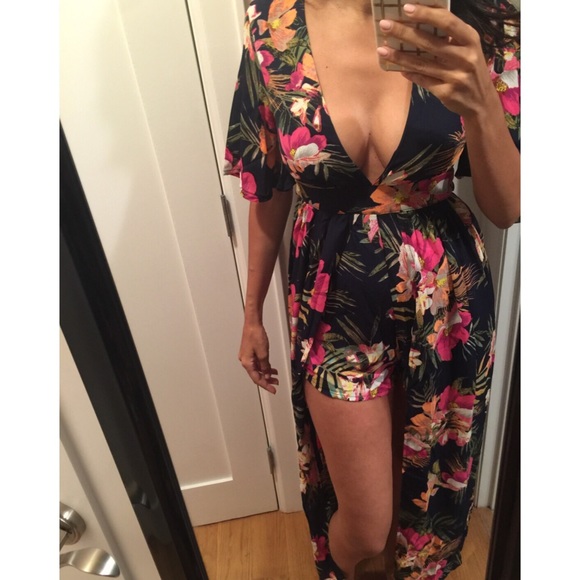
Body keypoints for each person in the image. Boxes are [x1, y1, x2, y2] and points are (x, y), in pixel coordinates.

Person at [224, 0, 520, 578]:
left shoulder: (483, 18)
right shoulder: (273, 26)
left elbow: (506, 208)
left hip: (445, 303)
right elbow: (270, 186)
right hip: (334, 299)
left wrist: (482, 101)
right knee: (365, 523)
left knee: (419, 508)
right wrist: (251, 312)